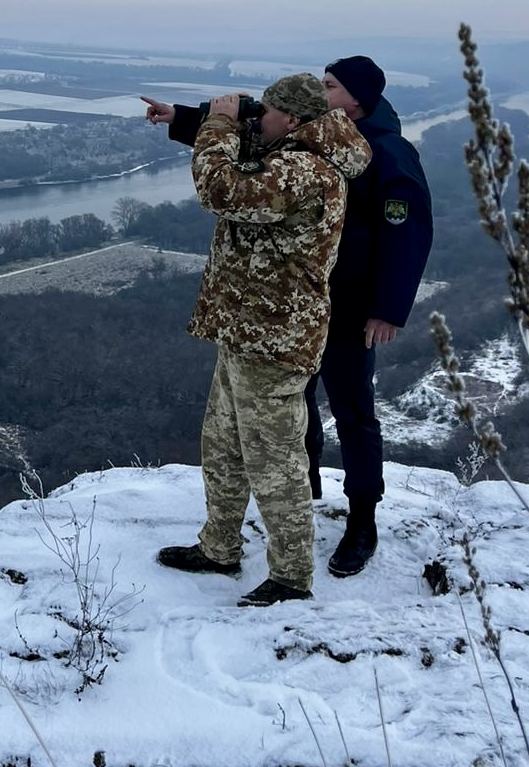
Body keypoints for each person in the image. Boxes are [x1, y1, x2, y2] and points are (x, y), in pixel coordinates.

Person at [142, 75, 370, 606]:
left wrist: (219, 121)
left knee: (275, 458)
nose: (255, 119)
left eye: (264, 112)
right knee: (223, 442)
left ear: (291, 120)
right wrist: (186, 116)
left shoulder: (305, 170)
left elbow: (221, 190)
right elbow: (247, 144)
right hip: (246, 327)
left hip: (275, 337)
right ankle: (219, 547)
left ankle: (291, 576)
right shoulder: (293, 148)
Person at [307, 56, 433, 576]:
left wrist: (387, 308)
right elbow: (257, 117)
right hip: (301, 303)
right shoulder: (317, 133)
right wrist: (180, 117)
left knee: (353, 412)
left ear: (356, 98)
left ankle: (363, 520)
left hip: (352, 309)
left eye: (330, 85)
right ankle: (304, 492)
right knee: (293, 403)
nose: (321, 91)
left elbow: (408, 232)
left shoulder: (387, 151)